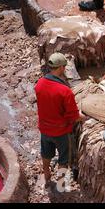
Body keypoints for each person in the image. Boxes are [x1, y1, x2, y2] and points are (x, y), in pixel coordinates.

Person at [34, 53, 83, 188]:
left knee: (46, 153)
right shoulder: (65, 91)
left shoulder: (39, 84)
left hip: (44, 129)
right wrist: (86, 117)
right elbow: (74, 116)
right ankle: (61, 185)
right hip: (61, 132)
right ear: (61, 68)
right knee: (63, 159)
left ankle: (47, 176)